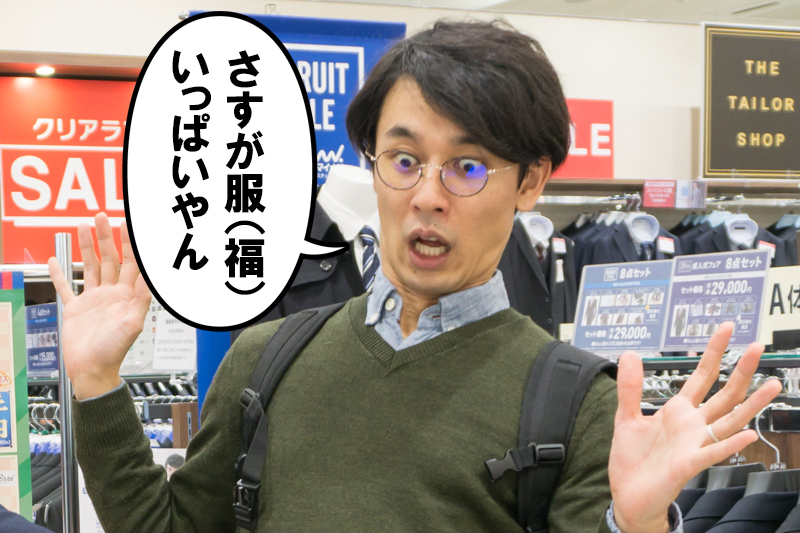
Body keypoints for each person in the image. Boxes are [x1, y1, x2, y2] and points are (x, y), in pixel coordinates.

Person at [49, 19, 781, 533]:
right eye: (404, 160)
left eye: (468, 167)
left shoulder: (578, 405)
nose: (427, 195)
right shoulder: (266, 361)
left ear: (530, 182)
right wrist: (98, 383)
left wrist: (636, 523)